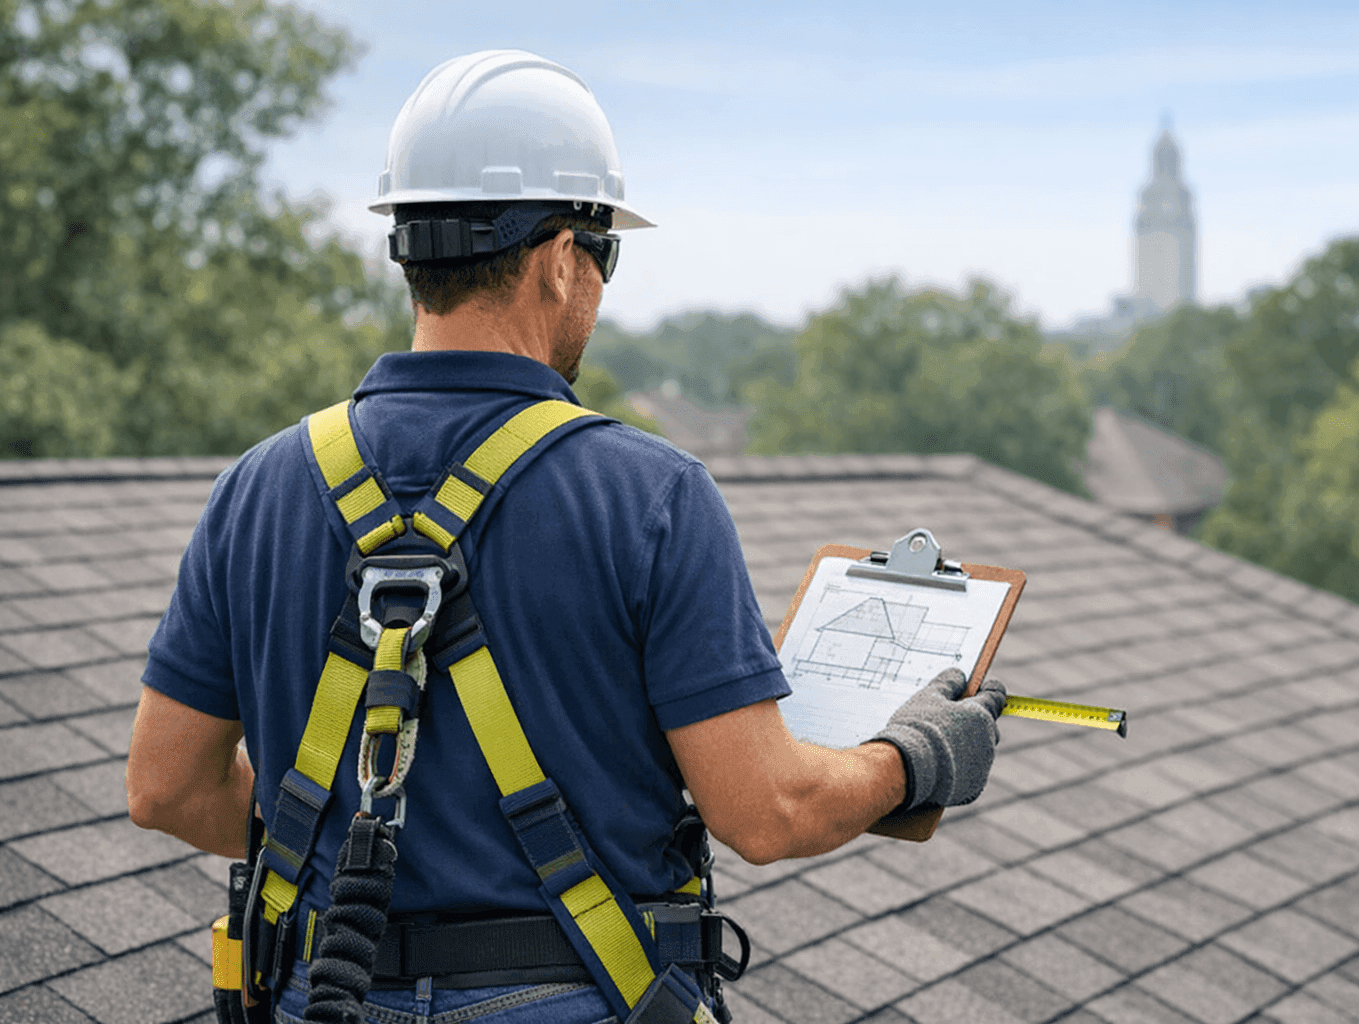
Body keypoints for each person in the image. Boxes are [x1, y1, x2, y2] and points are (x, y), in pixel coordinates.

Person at [125, 50, 1006, 1024]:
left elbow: (165, 786)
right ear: (557, 258)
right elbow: (769, 809)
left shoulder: (254, 490)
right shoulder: (653, 497)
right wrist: (918, 756)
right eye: (605, 252)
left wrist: (345, 845)